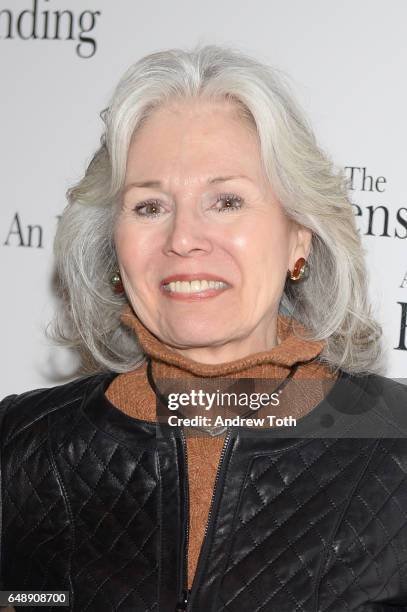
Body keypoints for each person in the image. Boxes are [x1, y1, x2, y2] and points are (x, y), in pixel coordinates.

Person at [1, 44, 407, 612]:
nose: (183, 238)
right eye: (149, 207)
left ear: (299, 235)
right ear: (113, 247)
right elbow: (26, 597)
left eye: (226, 200)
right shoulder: (19, 449)